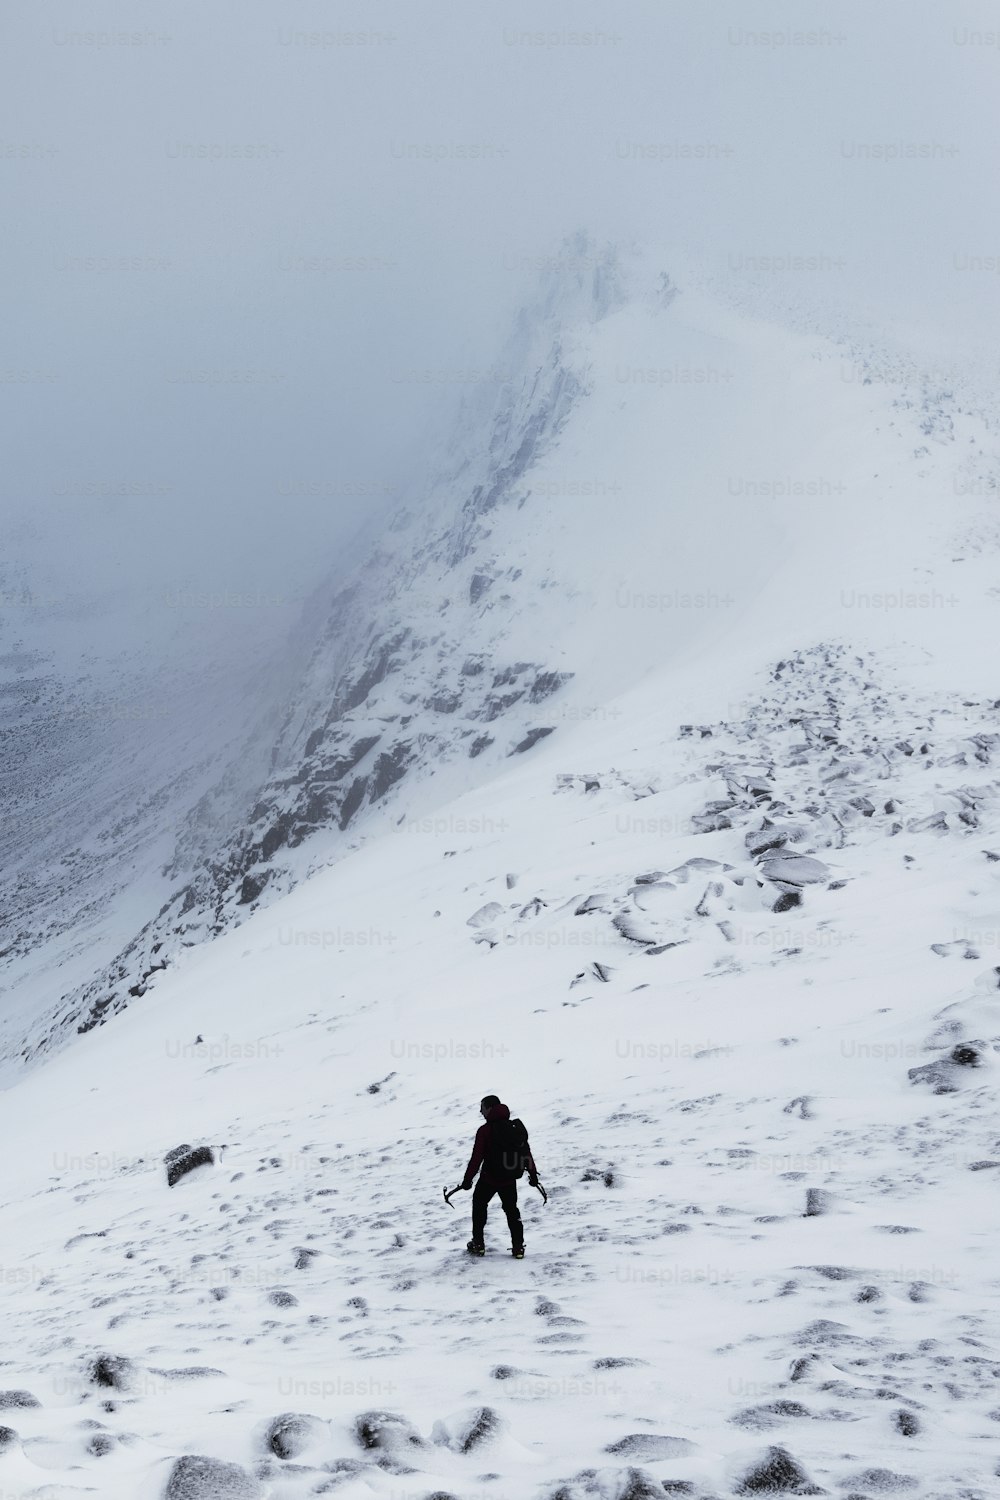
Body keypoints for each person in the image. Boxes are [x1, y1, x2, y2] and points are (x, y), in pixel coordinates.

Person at [460, 1095, 538, 1258]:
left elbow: (477, 1158)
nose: (480, 1111)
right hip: (509, 1179)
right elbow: (526, 1153)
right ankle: (518, 1248)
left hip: (489, 1178)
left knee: (479, 1206)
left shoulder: (485, 1130)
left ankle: (478, 1244)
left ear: (489, 1108)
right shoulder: (515, 1127)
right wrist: (532, 1174)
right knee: (512, 1211)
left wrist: (467, 1180)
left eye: (482, 1107)